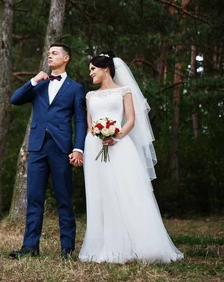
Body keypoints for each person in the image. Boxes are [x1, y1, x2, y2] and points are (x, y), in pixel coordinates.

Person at [78, 51, 183, 263]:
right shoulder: (90, 96)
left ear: (105, 69)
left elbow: (131, 119)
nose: (90, 73)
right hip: (95, 147)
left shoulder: (124, 91)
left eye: (93, 69)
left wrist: (116, 135)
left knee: (126, 190)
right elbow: (89, 124)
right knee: (100, 193)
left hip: (120, 145)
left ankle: (137, 244)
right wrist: (97, 134)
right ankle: (103, 245)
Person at [9, 43, 87, 260]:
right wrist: (34, 80)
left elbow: (80, 121)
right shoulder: (39, 85)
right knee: (34, 198)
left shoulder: (76, 88)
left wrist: (78, 148)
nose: (49, 56)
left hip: (61, 148)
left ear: (66, 58)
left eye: (54, 53)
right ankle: (30, 247)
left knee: (64, 198)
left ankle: (67, 249)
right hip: (37, 147)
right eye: (49, 53)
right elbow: (15, 100)